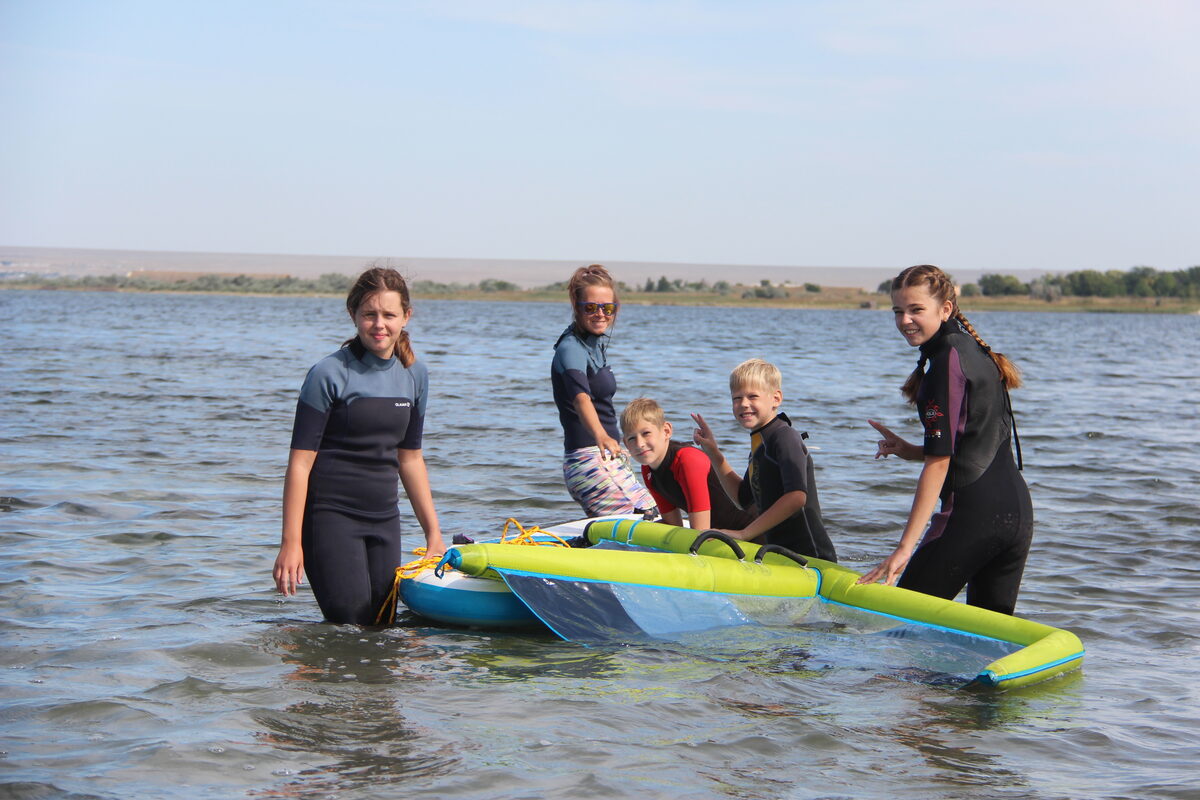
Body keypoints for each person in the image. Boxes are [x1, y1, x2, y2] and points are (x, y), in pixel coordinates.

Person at [272, 266, 446, 625]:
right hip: (330, 518)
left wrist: (434, 534)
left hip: (385, 519)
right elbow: (300, 465)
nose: (379, 324)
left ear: (406, 316)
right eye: (369, 314)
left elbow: (410, 458)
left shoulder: (415, 374)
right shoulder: (329, 374)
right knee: (349, 626)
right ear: (353, 315)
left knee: (383, 627)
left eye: (388, 315)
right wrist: (291, 542)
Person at [858, 264, 1031, 615]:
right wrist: (911, 451)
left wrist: (905, 548)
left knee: (902, 624)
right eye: (898, 311)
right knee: (980, 641)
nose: (905, 320)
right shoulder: (972, 351)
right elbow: (973, 444)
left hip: (972, 516)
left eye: (916, 309)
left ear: (945, 309)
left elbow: (941, 463)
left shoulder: (945, 361)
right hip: (1016, 515)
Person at [692, 358, 837, 561]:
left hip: (810, 558)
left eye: (753, 396)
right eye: (736, 398)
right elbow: (743, 499)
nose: (743, 404)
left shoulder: (784, 437)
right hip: (779, 554)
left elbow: (797, 497)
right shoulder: (761, 444)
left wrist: (745, 534)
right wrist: (714, 453)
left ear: (776, 399)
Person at [551, 264, 655, 517]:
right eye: (591, 307)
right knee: (643, 519)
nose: (600, 314)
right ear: (577, 307)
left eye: (608, 308)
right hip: (589, 461)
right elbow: (581, 399)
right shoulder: (571, 348)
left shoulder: (593, 345)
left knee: (654, 512)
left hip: (607, 459)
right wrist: (601, 436)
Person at [620, 397, 756, 531]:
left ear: (666, 431)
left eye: (646, 433)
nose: (639, 444)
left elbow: (700, 532)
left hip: (752, 536)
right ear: (626, 443)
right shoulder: (648, 469)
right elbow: (673, 524)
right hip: (715, 535)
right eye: (632, 438)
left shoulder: (687, 460)